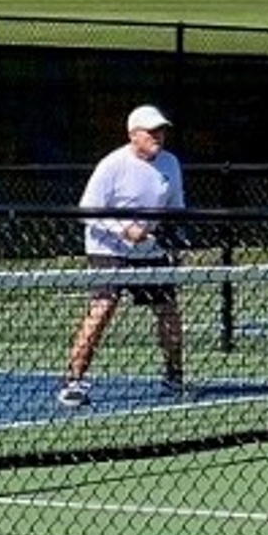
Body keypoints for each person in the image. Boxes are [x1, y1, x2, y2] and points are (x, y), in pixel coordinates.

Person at [57, 104, 186, 407]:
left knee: (168, 311)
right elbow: (87, 209)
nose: (159, 136)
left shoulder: (171, 164)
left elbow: (177, 208)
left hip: (151, 251)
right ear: (133, 135)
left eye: (161, 131)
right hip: (108, 249)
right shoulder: (112, 165)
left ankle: (174, 374)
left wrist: (174, 239)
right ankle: (73, 381)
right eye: (152, 131)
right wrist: (123, 229)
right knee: (104, 307)